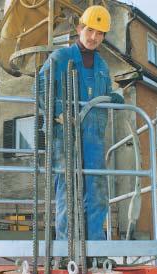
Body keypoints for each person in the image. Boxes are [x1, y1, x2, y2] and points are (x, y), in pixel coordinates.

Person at [39, 5, 124, 240]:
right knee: (68, 190)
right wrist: (58, 111)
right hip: (64, 135)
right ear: (79, 29)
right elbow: (40, 88)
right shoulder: (60, 58)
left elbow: (105, 95)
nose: (93, 37)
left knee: (97, 192)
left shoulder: (103, 68)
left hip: (94, 139)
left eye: (99, 33)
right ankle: (66, 248)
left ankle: (94, 246)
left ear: (104, 36)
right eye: (89, 31)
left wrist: (114, 97)